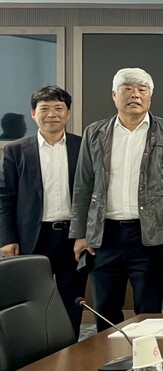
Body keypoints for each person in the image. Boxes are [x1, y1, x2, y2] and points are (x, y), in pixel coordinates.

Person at [70, 68, 163, 331]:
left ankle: (144, 357)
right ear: (114, 95)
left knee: (148, 310)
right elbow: (82, 186)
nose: (134, 94)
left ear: (150, 96)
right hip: (105, 236)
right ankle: (106, 356)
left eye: (141, 89)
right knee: (105, 309)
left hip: (150, 235)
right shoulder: (95, 132)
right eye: (127, 89)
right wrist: (79, 234)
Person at [0, 86, 86, 333]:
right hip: (32, 236)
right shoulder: (16, 150)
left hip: (73, 236)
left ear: (68, 113)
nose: (52, 114)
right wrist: (8, 239)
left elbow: (93, 194)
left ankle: (70, 347)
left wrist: (85, 234)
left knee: (72, 297)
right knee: (32, 299)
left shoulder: (82, 146)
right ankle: (37, 350)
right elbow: (5, 197)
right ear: (33, 113)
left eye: (59, 108)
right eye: (44, 108)